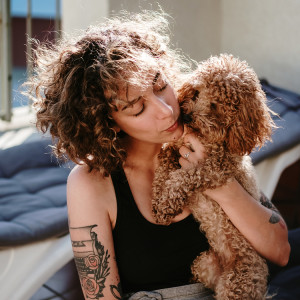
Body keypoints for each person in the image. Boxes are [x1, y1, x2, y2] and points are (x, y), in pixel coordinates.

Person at [27, 11, 290, 300]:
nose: (166, 110)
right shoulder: (92, 184)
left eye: (161, 85)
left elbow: (281, 251)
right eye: (137, 108)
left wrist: (220, 184)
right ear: (109, 121)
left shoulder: (210, 141)